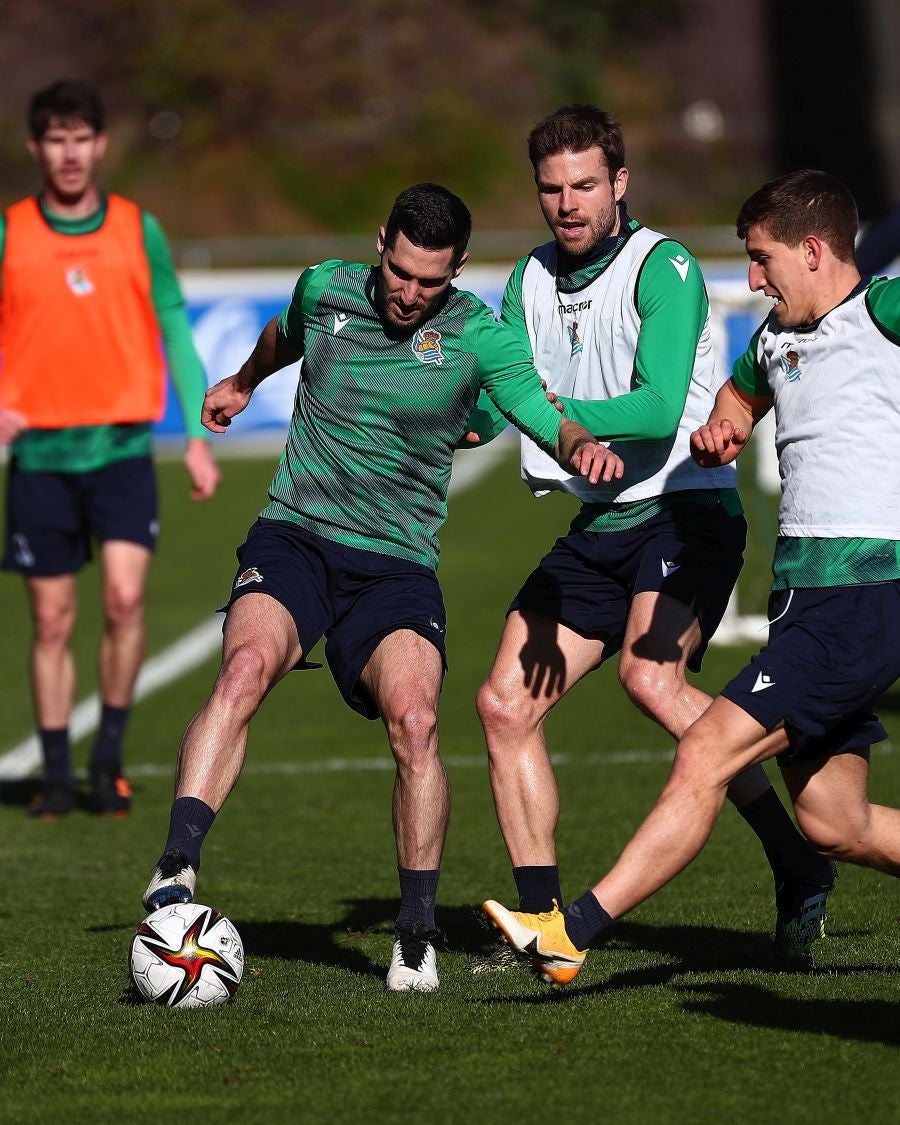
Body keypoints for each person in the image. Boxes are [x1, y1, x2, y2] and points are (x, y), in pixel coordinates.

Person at [139, 182, 617, 992]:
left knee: (417, 721)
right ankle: (177, 868)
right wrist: (243, 382)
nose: (409, 293)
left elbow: (538, 407)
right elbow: (279, 336)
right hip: (296, 536)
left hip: (395, 565)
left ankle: (416, 933)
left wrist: (578, 443)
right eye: (400, 272)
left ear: (457, 268)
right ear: (381, 244)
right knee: (246, 668)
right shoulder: (323, 287)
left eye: (430, 282)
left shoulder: (478, 336)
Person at [483, 168, 900, 987]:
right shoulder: (776, 337)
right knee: (832, 820)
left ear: (813, 250)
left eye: (760, 257)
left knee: (706, 748)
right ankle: (799, 868)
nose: (751, 278)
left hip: (865, 593)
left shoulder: (880, 312)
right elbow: (738, 401)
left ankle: (573, 930)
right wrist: (722, 433)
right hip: (800, 598)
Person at [0, 79, 220, 819]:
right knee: (53, 619)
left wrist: (195, 434)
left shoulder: (136, 228)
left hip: (123, 448)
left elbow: (174, 327)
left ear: (100, 145)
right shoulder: (10, 233)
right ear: (37, 148)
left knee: (125, 601)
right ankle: (56, 771)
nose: (69, 152)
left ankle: (107, 759)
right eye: (55, 139)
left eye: (81, 137)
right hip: (41, 461)